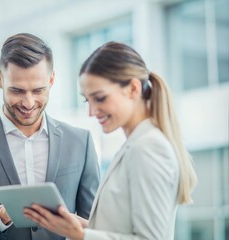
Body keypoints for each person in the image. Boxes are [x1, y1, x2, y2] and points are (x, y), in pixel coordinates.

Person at [0, 33, 100, 240]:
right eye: (17, 91)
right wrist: (1, 215)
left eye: (38, 90)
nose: (28, 103)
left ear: (52, 80)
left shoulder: (80, 142)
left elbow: (96, 228)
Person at [24, 42, 198, 240]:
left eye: (100, 98)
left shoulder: (148, 148)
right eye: (87, 100)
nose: (91, 112)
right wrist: (81, 228)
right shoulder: (135, 144)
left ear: (133, 89)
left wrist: (82, 236)